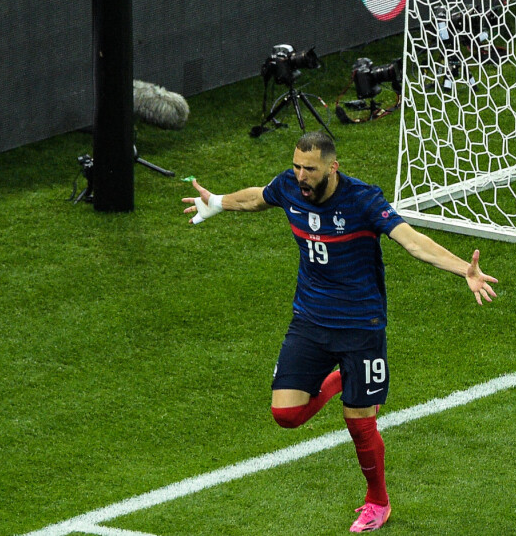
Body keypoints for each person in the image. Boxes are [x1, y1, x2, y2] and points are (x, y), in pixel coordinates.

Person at [182, 131, 498, 532]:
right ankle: (336, 381)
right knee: (286, 415)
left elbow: (413, 242)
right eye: (297, 166)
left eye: (309, 169)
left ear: (333, 167)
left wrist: (462, 269)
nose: (300, 176)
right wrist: (217, 203)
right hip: (310, 321)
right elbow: (257, 197)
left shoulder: (363, 200)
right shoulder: (289, 186)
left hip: (360, 327)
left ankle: (377, 501)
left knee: (359, 424)